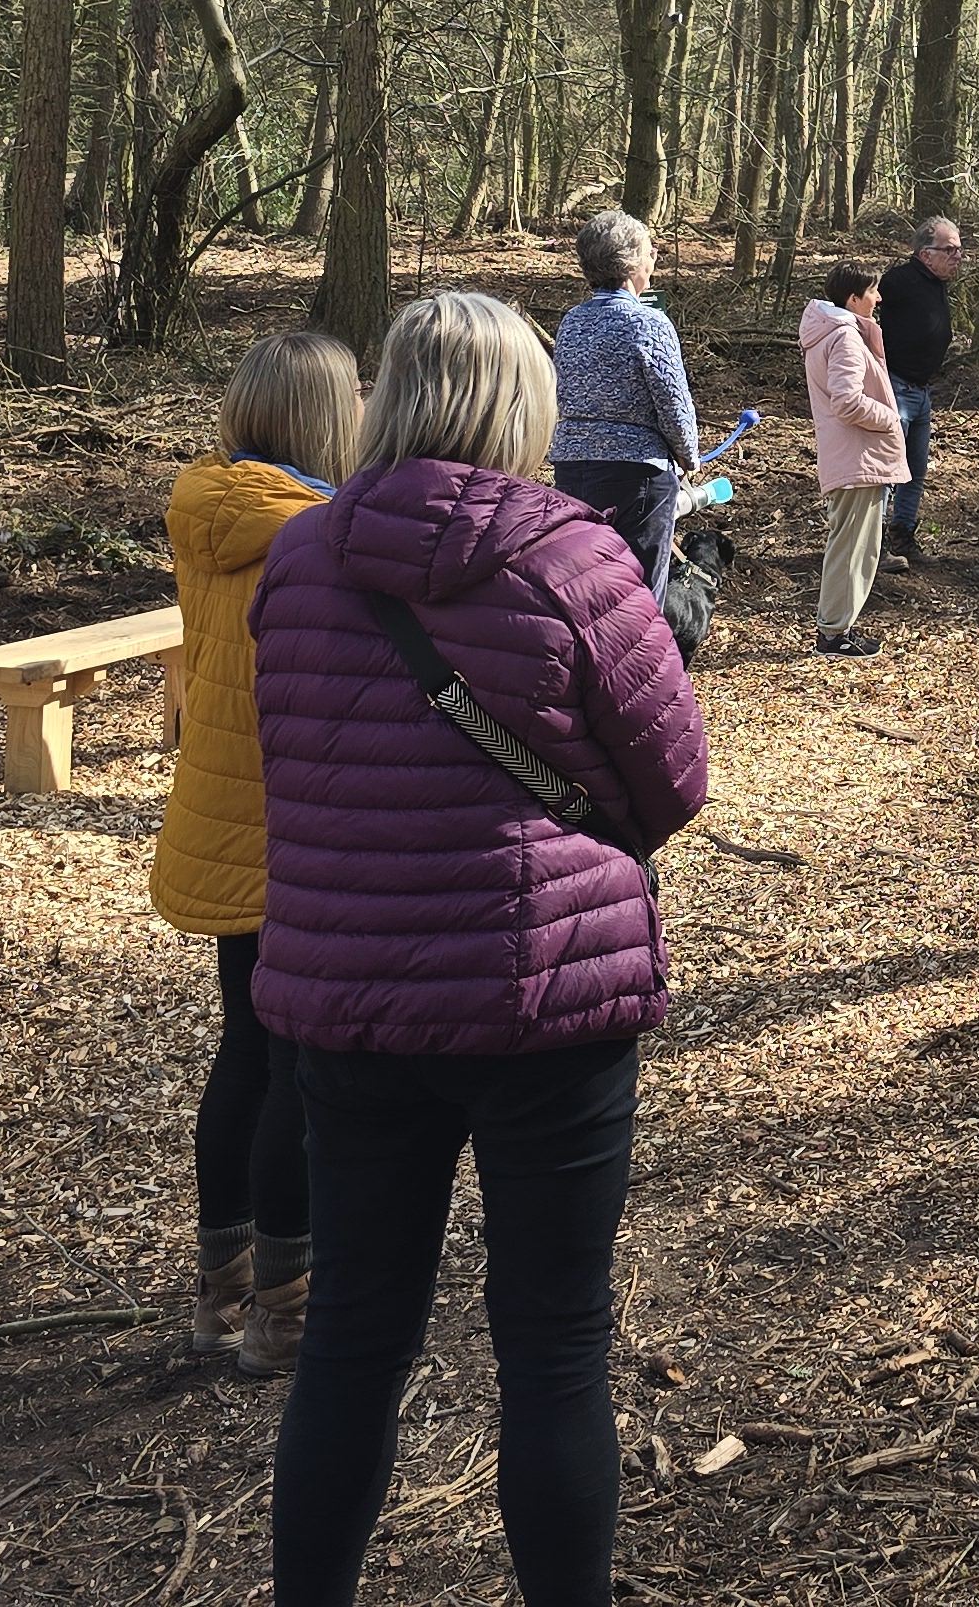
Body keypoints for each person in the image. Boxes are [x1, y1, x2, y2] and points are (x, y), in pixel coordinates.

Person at [248, 290, 710, 1607]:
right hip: (543, 995)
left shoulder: (301, 558)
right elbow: (673, 777)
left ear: (392, 397)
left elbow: (298, 758)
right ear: (526, 407)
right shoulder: (573, 559)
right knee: (554, 1350)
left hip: (347, 994)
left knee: (350, 1341)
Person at [153, 327, 359, 1376]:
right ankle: (283, 1309)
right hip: (291, 821)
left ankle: (220, 1294)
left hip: (220, 811)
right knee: (294, 1068)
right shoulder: (312, 534)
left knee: (243, 1051)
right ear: (326, 416)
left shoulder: (205, 510)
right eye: (352, 395)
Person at [551, 209, 703, 612]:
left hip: (572, 468)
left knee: (583, 586)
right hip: (637, 475)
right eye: (650, 251)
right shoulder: (648, 322)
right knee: (638, 597)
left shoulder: (571, 321)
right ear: (632, 262)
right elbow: (672, 402)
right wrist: (689, 456)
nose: (654, 259)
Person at [800, 259, 904, 657]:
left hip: (853, 456)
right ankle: (833, 634)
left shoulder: (832, 332)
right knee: (853, 549)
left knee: (853, 546)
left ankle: (838, 628)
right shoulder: (844, 336)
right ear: (853, 298)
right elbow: (847, 401)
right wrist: (890, 417)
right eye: (872, 291)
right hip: (858, 458)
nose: (878, 298)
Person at [874, 218, 966, 565]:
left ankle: (902, 537)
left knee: (914, 470)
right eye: (950, 250)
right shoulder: (899, 280)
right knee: (887, 471)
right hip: (896, 388)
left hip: (922, 391)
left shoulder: (937, 283)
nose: (958, 256)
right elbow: (860, 310)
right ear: (925, 254)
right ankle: (874, 546)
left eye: (959, 249)